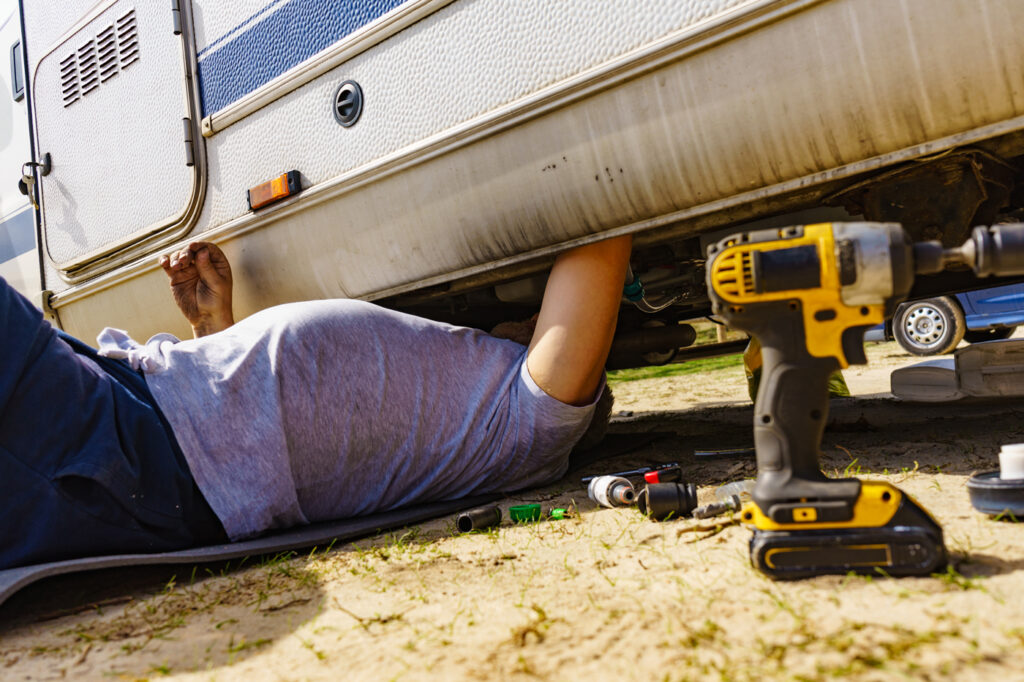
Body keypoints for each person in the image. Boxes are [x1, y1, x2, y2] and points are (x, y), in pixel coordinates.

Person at [0, 235, 631, 569]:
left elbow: (599, 234)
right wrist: (212, 326)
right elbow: (249, 443)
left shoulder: (529, 426)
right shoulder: (488, 411)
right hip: (149, 421)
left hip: (135, 455)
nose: (522, 323)